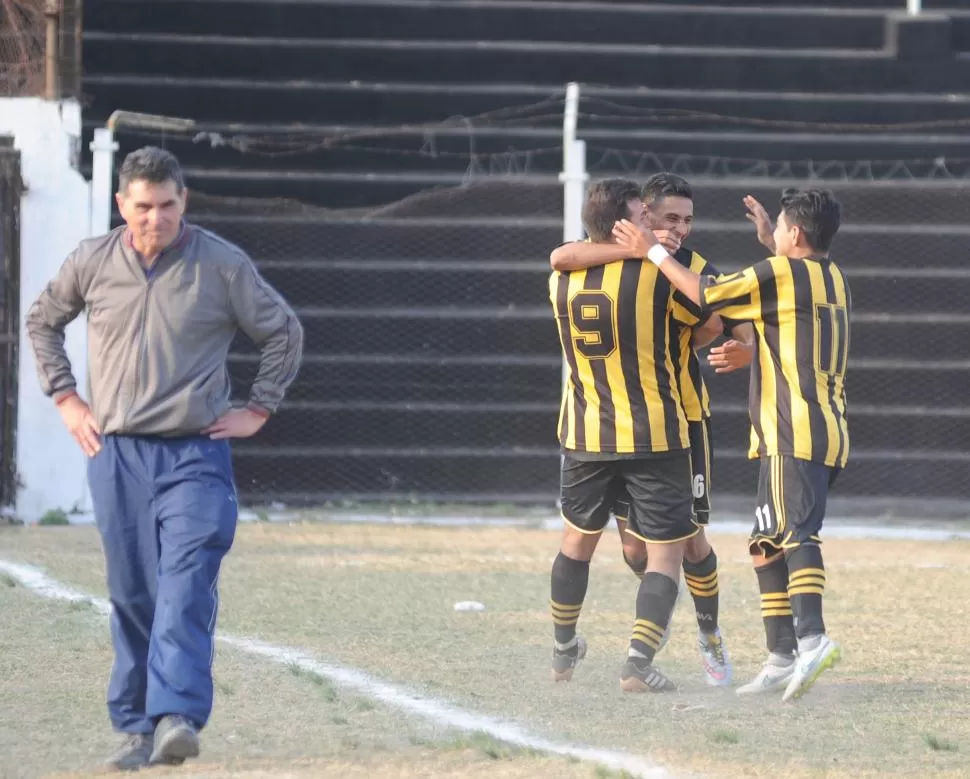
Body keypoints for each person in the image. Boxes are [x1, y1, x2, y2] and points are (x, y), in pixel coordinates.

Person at [25, 147, 304, 768]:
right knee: (132, 594)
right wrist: (67, 399)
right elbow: (43, 321)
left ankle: (176, 715)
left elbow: (283, 330)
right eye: (144, 207)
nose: (156, 219)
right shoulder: (91, 261)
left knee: (184, 586)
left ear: (185, 201)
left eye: (168, 205)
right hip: (116, 454)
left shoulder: (222, 265)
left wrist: (258, 409)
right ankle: (136, 728)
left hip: (195, 458)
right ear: (122, 206)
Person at [612, 187, 848, 702]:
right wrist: (771, 243)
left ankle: (813, 639)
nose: (773, 234)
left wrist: (649, 249)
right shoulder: (827, 275)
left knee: (793, 536)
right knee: (764, 544)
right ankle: (781, 656)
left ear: (796, 235)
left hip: (796, 430)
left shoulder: (782, 273)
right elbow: (783, 315)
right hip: (806, 429)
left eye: (779, 227)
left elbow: (704, 292)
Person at [550, 173, 754, 687]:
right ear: (638, 221)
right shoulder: (648, 265)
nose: (679, 230)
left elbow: (736, 316)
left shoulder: (693, 266)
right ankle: (650, 635)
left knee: (689, 544)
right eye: (667, 219)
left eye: (688, 220)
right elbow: (706, 317)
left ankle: (709, 637)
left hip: (681, 418)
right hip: (645, 425)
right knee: (638, 550)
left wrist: (743, 347)